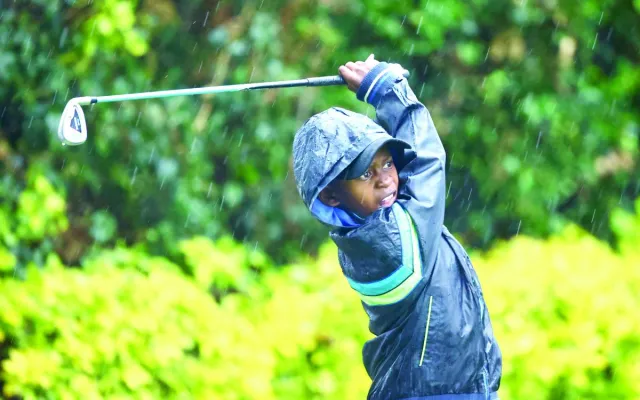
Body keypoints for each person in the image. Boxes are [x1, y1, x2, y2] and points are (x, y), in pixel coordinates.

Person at [292, 55, 502, 400]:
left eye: (388, 162)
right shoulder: (392, 247)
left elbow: (409, 170)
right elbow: (427, 162)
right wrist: (386, 90)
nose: (386, 180)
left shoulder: (381, 222)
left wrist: (379, 90)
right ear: (331, 196)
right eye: (365, 174)